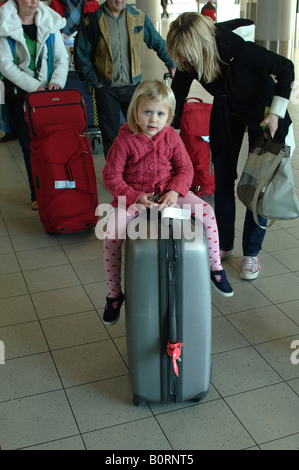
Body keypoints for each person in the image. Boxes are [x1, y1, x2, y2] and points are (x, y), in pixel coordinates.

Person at [167, 12, 295, 281]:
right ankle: (224, 244)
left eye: (187, 55)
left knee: (256, 185)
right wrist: (167, 136)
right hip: (227, 108)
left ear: (201, 45)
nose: (184, 62)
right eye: (180, 57)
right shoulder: (188, 59)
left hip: (262, 109)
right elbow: (176, 96)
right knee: (223, 179)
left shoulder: (234, 47)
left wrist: (276, 111)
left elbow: (286, 67)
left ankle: (251, 253)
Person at [100, 80, 233, 326]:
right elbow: (111, 176)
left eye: (160, 113)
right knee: (111, 234)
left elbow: (185, 169)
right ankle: (114, 293)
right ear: (135, 111)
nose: (153, 119)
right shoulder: (125, 139)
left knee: (207, 212)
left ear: (169, 116)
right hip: (134, 196)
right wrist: (134, 197)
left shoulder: (171, 136)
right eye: (147, 112)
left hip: (170, 193)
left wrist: (175, 191)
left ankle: (215, 268)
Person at [75, 0, 176, 158]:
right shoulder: (94, 21)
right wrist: (96, 82)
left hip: (133, 89)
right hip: (106, 88)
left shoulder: (138, 17)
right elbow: (82, 55)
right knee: (111, 138)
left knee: (141, 133)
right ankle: (114, 177)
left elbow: (156, 41)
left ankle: (139, 173)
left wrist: (171, 63)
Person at [0, 0, 68, 210]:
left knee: (54, 144)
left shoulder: (50, 21)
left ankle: (59, 189)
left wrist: (56, 81)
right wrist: (34, 87)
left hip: (49, 96)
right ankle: (37, 192)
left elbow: (61, 58)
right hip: (20, 96)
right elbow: (5, 64)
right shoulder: (5, 23)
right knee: (30, 147)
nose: (32, 2)